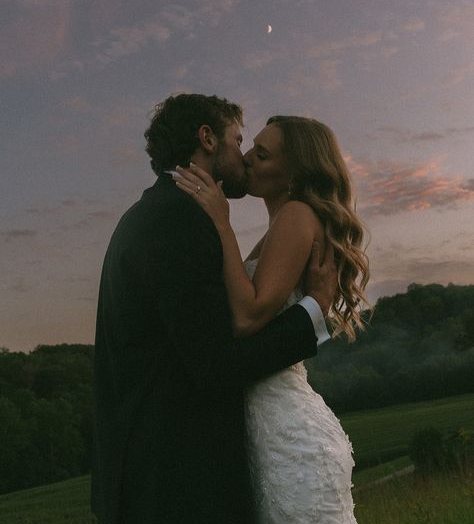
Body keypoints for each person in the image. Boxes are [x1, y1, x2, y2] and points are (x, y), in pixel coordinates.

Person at [91, 95, 338, 524]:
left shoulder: (148, 214)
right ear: (207, 139)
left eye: (257, 151)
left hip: (153, 473)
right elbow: (215, 363)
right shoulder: (182, 220)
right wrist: (313, 313)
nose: (243, 157)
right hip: (176, 481)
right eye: (239, 141)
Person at [175, 114, 370, 523]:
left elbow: (247, 318)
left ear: (294, 174)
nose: (246, 159)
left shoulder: (297, 215)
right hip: (267, 435)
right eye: (251, 147)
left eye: (261, 155)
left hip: (290, 443)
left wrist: (221, 221)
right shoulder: (281, 223)